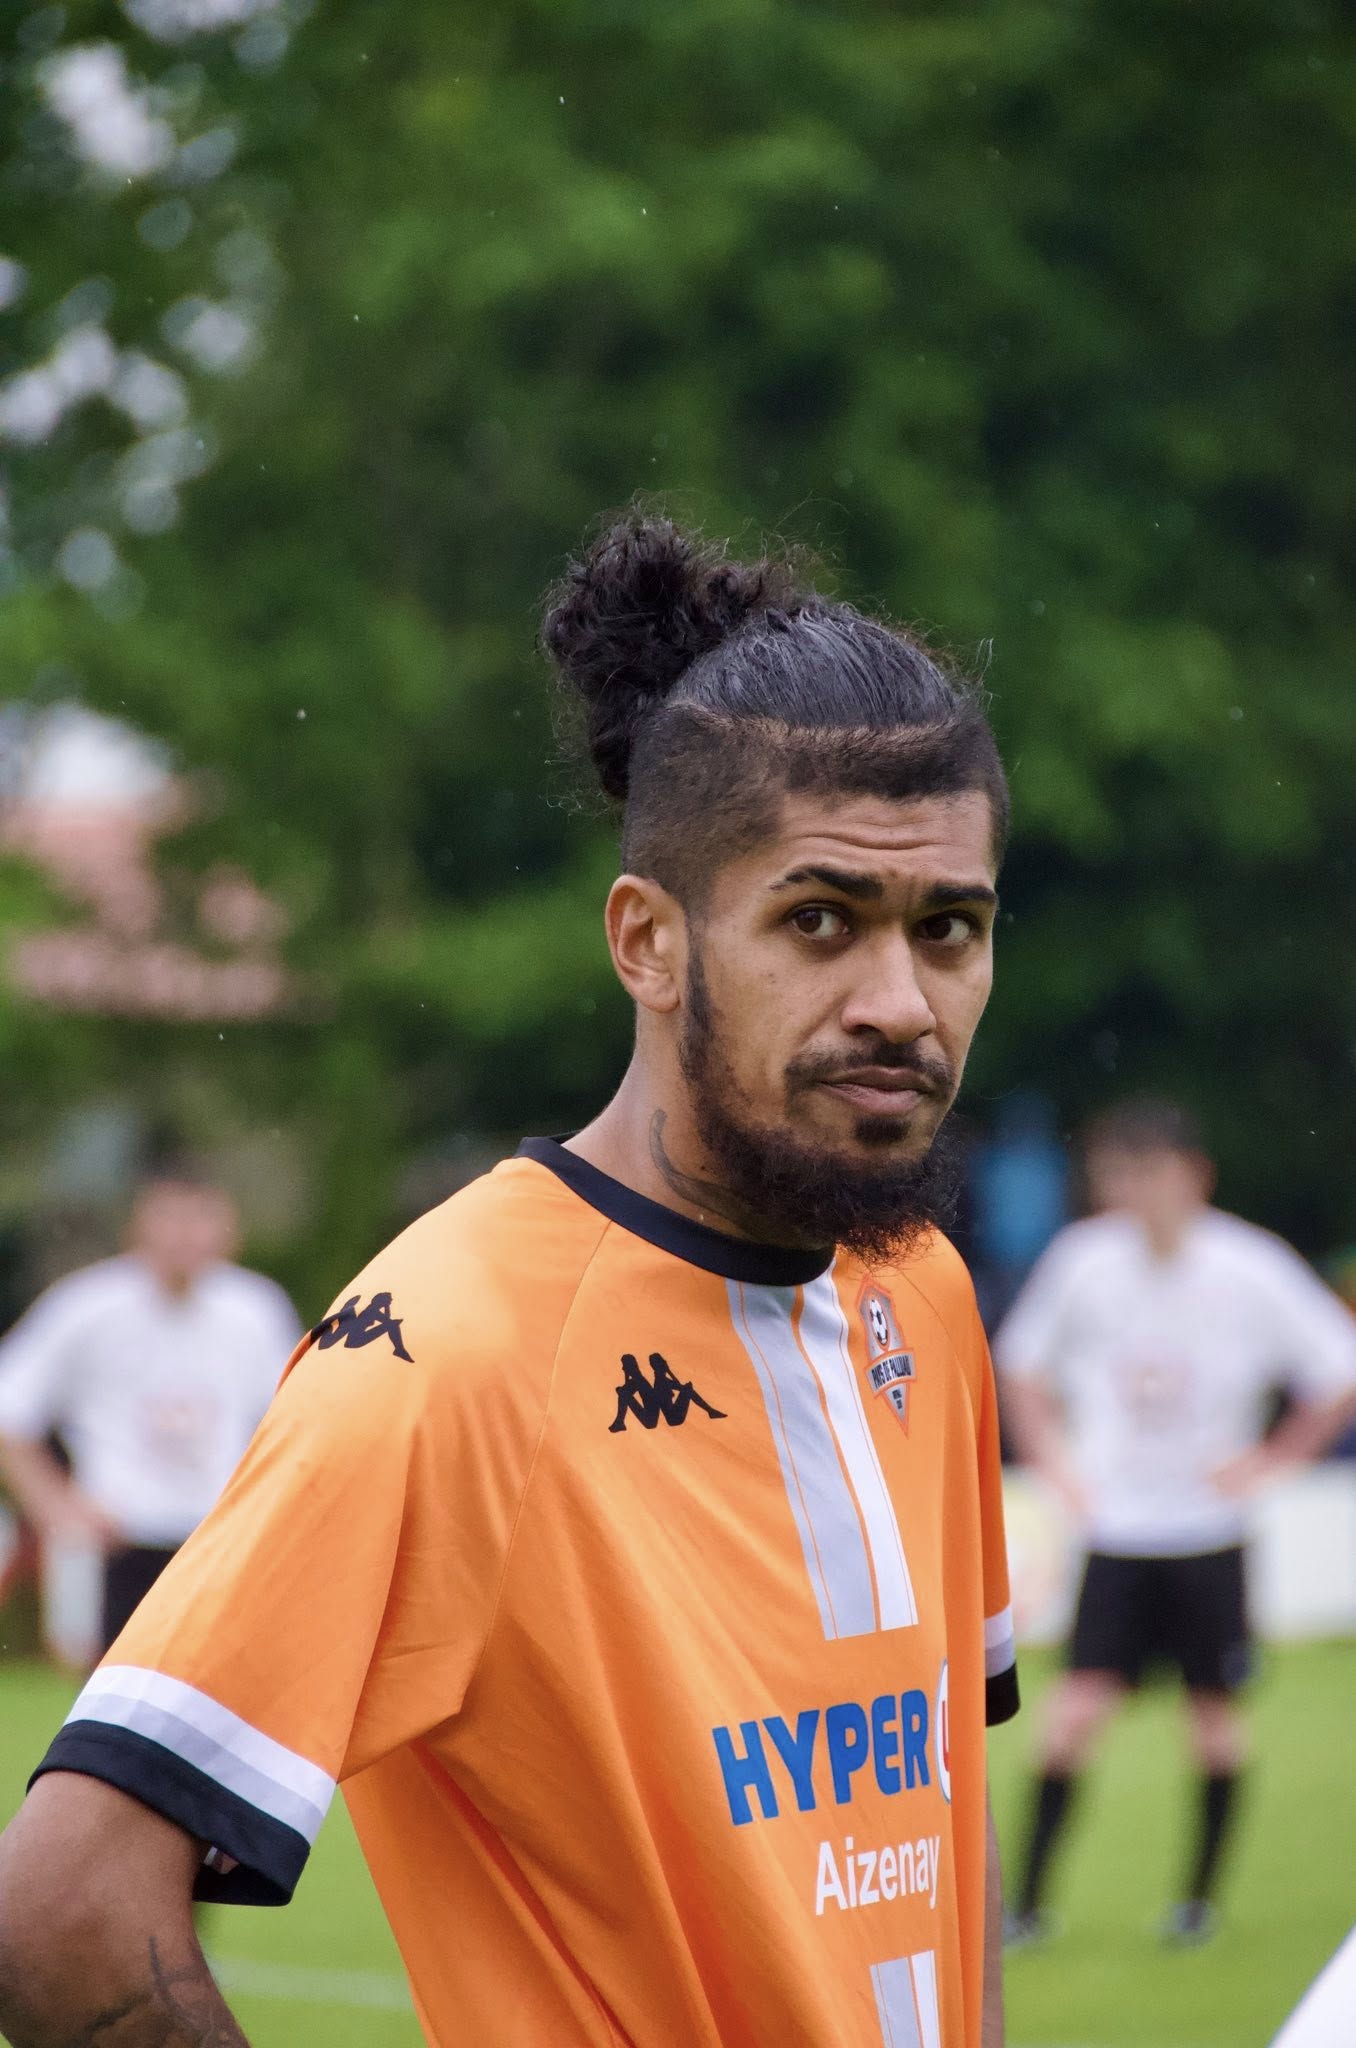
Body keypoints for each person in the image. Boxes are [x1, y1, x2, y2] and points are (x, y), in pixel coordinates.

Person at [0, 514, 1020, 2048]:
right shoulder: (456, 1352)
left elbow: (938, 1842)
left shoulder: (921, 1292)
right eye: (820, 921)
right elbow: (62, 1913)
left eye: (949, 930)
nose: (900, 1001)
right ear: (648, 942)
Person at [997, 1098, 1356, 1948]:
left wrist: (1272, 1461)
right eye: (1121, 1175)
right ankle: (1028, 1907)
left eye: (1152, 1172)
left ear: (1194, 1174)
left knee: (1215, 1717)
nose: (1137, 1193)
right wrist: (1053, 1461)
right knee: (1074, 1712)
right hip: (1117, 1531)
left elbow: (1337, 1367)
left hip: (1208, 1530)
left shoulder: (1249, 1264)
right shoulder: (1085, 1260)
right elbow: (1018, 1365)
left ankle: (1196, 1904)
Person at [0, 1161, 300, 1655]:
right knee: (105, 1693)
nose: (184, 1235)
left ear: (228, 1229)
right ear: (137, 1227)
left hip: (213, 1534)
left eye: (199, 1218)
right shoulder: (86, 1306)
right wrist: (56, 1505)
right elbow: (13, 1408)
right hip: (117, 1537)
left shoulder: (255, 1309)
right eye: (169, 1218)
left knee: (212, 1687)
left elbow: (287, 1423)